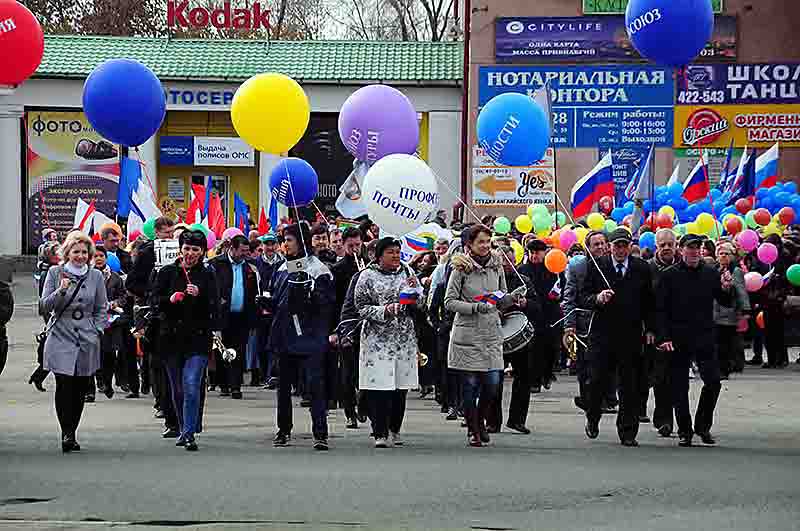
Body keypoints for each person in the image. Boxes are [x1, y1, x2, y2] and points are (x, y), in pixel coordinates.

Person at [656, 233, 734, 447]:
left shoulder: (710, 273)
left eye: (697, 247)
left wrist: (727, 287)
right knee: (679, 387)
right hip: (677, 337)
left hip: (704, 336)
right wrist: (663, 337)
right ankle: (684, 430)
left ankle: (702, 426)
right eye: (689, 247)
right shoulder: (669, 275)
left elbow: (725, 301)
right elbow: (660, 309)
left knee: (713, 382)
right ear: (681, 250)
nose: (693, 251)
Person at [581, 228, 655, 448]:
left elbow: (650, 303)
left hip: (630, 335)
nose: (621, 250)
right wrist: (597, 298)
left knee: (629, 385)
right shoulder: (597, 266)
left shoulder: (641, 268)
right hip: (602, 335)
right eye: (617, 246)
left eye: (624, 245)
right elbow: (583, 297)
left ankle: (628, 431)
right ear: (609, 247)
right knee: (597, 381)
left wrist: (650, 329)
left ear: (630, 246)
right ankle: (592, 417)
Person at [39, 232, 108, 453]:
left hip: (87, 337)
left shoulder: (96, 276)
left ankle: (73, 429)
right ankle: (66, 432)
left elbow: (101, 307)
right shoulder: (55, 272)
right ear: (67, 253)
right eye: (75, 252)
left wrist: (97, 329)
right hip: (61, 335)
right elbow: (44, 306)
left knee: (80, 388)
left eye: (84, 252)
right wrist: (61, 290)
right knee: (64, 384)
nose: (80, 256)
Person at [444, 225, 512, 447]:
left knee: (492, 383)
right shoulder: (460, 268)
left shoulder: (497, 265)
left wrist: (511, 300)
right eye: (480, 242)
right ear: (469, 245)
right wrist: (475, 307)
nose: (485, 245)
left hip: (491, 332)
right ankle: (473, 429)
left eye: (487, 241)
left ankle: (481, 421)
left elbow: (502, 295)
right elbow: (449, 302)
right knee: (470, 385)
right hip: (468, 333)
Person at [269, 223, 335, 451]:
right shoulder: (280, 268)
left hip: (310, 336)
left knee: (315, 384)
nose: (285, 244)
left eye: (289, 240)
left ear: (301, 241)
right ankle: (283, 429)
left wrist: (308, 298)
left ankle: (320, 432)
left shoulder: (318, 269)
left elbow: (326, 303)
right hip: (285, 335)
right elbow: (277, 298)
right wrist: (268, 304)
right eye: (283, 240)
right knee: (283, 386)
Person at [153, 230, 219, 452]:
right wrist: (170, 299)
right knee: (178, 389)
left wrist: (200, 294)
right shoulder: (167, 272)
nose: (190, 253)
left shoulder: (208, 274)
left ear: (202, 252)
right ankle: (183, 427)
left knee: (191, 384)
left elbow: (215, 305)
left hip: (197, 339)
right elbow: (154, 301)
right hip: (170, 338)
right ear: (180, 249)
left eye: (195, 250)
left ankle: (190, 433)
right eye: (187, 248)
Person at [354, 237, 420, 448]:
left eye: (398, 252)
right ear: (379, 255)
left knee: (400, 387)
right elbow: (360, 306)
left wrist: (416, 292)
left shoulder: (408, 271)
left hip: (403, 338)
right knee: (379, 387)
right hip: (377, 340)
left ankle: (395, 428)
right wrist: (385, 310)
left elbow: (421, 299)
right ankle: (379, 432)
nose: (395, 256)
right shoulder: (367, 276)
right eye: (390, 252)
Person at [126, 216, 179, 439]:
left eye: (172, 232)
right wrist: (151, 292)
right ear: (157, 233)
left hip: (177, 314)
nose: (170, 237)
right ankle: (162, 404)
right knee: (156, 363)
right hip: (154, 316)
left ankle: (177, 410)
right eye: (166, 233)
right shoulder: (148, 252)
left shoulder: (181, 250)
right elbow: (132, 283)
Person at [491, 245, 539, 434]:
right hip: (496, 335)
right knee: (494, 379)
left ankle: (517, 420)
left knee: (523, 378)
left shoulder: (524, 281)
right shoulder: (491, 280)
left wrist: (526, 303)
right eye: (502, 261)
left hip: (519, 338)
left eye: (509, 260)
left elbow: (537, 307)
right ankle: (493, 421)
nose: (506, 264)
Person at [207, 235, 260, 398]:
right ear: (232, 248)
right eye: (242, 251)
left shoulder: (250, 267)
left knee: (239, 350)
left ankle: (235, 386)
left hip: (242, 315)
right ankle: (224, 384)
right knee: (222, 349)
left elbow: (255, 292)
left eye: (247, 251)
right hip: (222, 315)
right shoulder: (217, 264)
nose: (245, 254)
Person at [562, 231, 607, 411]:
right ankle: (588, 399)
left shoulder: (613, 265)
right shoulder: (578, 267)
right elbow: (569, 297)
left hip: (607, 323)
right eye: (596, 244)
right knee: (585, 365)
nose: (601, 247)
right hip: (584, 324)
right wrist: (569, 325)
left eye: (603, 243)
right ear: (587, 248)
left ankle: (603, 397)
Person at [330, 226, 366, 428]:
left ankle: (364, 404)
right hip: (346, 325)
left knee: (364, 369)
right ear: (342, 246)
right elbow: (335, 304)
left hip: (367, 324)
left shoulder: (369, 267)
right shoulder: (337, 270)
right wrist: (335, 330)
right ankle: (349, 412)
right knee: (347, 370)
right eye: (350, 246)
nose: (354, 249)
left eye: (357, 245)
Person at [647, 229, 680, 437]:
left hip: (680, 330)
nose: (666, 248)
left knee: (677, 378)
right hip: (657, 330)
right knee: (661, 377)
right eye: (662, 245)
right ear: (656, 246)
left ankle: (681, 419)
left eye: (670, 244)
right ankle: (664, 419)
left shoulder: (683, 267)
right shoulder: (648, 268)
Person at [519, 239, 561, 393]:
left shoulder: (552, 268)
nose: (534, 256)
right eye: (531, 252)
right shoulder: (523, 269)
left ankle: (547, 374)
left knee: (550, 347)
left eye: (537, 252)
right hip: (532, 313)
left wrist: (558, 295)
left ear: (544, 253)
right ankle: (534, 381)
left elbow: (561, 286)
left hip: (550, 312)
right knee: (534, 349)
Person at [87, 246, 127, 402]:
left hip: (110, 322)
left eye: (101, 256)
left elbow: (123, 296)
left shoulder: (115, 277)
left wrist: (115, 303)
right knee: (91, 354)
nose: (98, 259)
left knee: (109, 354)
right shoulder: (87, 275)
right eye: (95, 256)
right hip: (91, 321)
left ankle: (107, 381)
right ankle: (90, 390)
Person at [714, 241, 750, 379]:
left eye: (726, 254)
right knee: (717, 343)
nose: (723, 256)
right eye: (721, 253)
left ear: (732, 256)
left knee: (726, 344)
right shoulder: (714, 269)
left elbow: (741, 291)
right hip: (714, 313)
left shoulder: (736, 271)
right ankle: (719, 368)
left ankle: (725, 369)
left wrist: (745, 310)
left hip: (729, 313)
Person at [30, 241, 61, 392]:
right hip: (52, 315)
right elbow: (45, 298)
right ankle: (39, 375)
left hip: (55, 315)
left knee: (55, 352)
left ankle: (38, 375)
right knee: (54, 352)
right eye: (57, 253)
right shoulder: (49, 273)